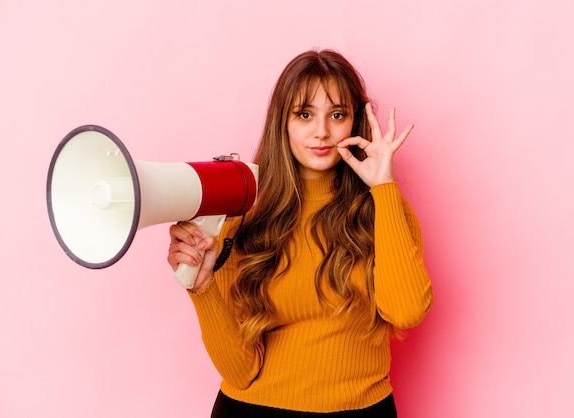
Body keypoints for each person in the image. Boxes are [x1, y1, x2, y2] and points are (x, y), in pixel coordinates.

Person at [167, 49, 433, 417]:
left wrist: (383, 190)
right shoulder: (245, 218)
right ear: (283, 122)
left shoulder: (385, 209)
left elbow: (405, 311)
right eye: (304, 114)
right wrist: (202, 287)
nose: (321, 131)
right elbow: (240, 372)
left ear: (355, 122)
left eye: (337, 114)